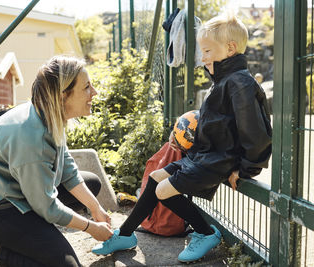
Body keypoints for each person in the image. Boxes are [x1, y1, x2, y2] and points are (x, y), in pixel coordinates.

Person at [92, 13, 272, 263]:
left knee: (164, 190)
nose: (203, 57)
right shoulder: (223, 80)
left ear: (230, 48)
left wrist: (246, 169)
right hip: (202, 157)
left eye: (208, 51)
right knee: (156, 178)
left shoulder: (240, 83)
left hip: (217, 161)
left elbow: (257, 134)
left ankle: (205, 233)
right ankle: (125, 234)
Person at [0, 55, 113, 267]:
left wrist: (96, 208)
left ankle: (33, 235)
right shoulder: (30, 136)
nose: (94, 93)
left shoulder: (49, 113)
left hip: (21, 193)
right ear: (63, 95)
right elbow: (47, 207)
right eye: (87, 87)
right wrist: (91, 227)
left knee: (90, 182)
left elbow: (67, 169)